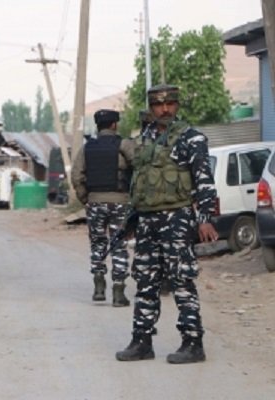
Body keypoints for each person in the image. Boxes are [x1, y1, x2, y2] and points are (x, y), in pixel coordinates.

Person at [115, 84, 218, 364]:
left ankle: (193, 343)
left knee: (181, 279)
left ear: (177, 105)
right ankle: (141, 342)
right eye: (159, 105)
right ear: (151, 108)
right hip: (147, 221)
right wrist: (131, 219)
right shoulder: (143, 141)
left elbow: (204, 181)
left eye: (170, 104)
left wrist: (205, 219)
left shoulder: (191, 139)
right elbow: (138, 184)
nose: (165, 109)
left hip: (177, 219)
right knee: (145, 281)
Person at [71, 109, 135, 307]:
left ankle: (99, 286)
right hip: (120, 202)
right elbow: (140, 168)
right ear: (114, 125)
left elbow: (76, 176)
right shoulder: (124, 145)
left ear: (98, 126)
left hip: (95, 202)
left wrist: (86, 198)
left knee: (98, 243)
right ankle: (118, 292)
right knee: (118, 244)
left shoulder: (87, 148)